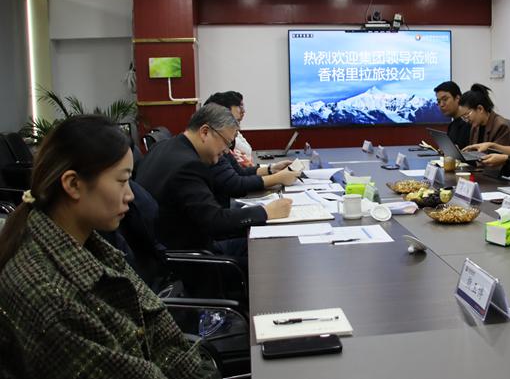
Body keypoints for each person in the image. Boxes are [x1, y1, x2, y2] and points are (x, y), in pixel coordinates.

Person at [0, 115, 218, 378]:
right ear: (73, 184)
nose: (130, 195)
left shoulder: (92, 245)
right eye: (122, 181)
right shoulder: (50, 299)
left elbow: (161, 336)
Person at [135, 104, 292, 254]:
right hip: (191, 256)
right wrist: (265, 212)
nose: (227, 151)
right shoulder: (188, 166)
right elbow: (214, 221)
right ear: (205, 132)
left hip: (169, 246)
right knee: (272, 249)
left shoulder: (162, 146)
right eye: (226, 143)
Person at [205, 92, 300, 208]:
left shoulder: (219, 144)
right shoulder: (210, 151)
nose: (237, 131)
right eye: (234, 122)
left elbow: (239, 172)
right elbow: (235, 185)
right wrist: (278, 178)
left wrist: (272, 169)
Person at [434, 81, 471, 148]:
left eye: (445, 99)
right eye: (439, 101)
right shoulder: (452, 126)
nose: (441, 105)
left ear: (457, 98)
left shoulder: (470, 123)